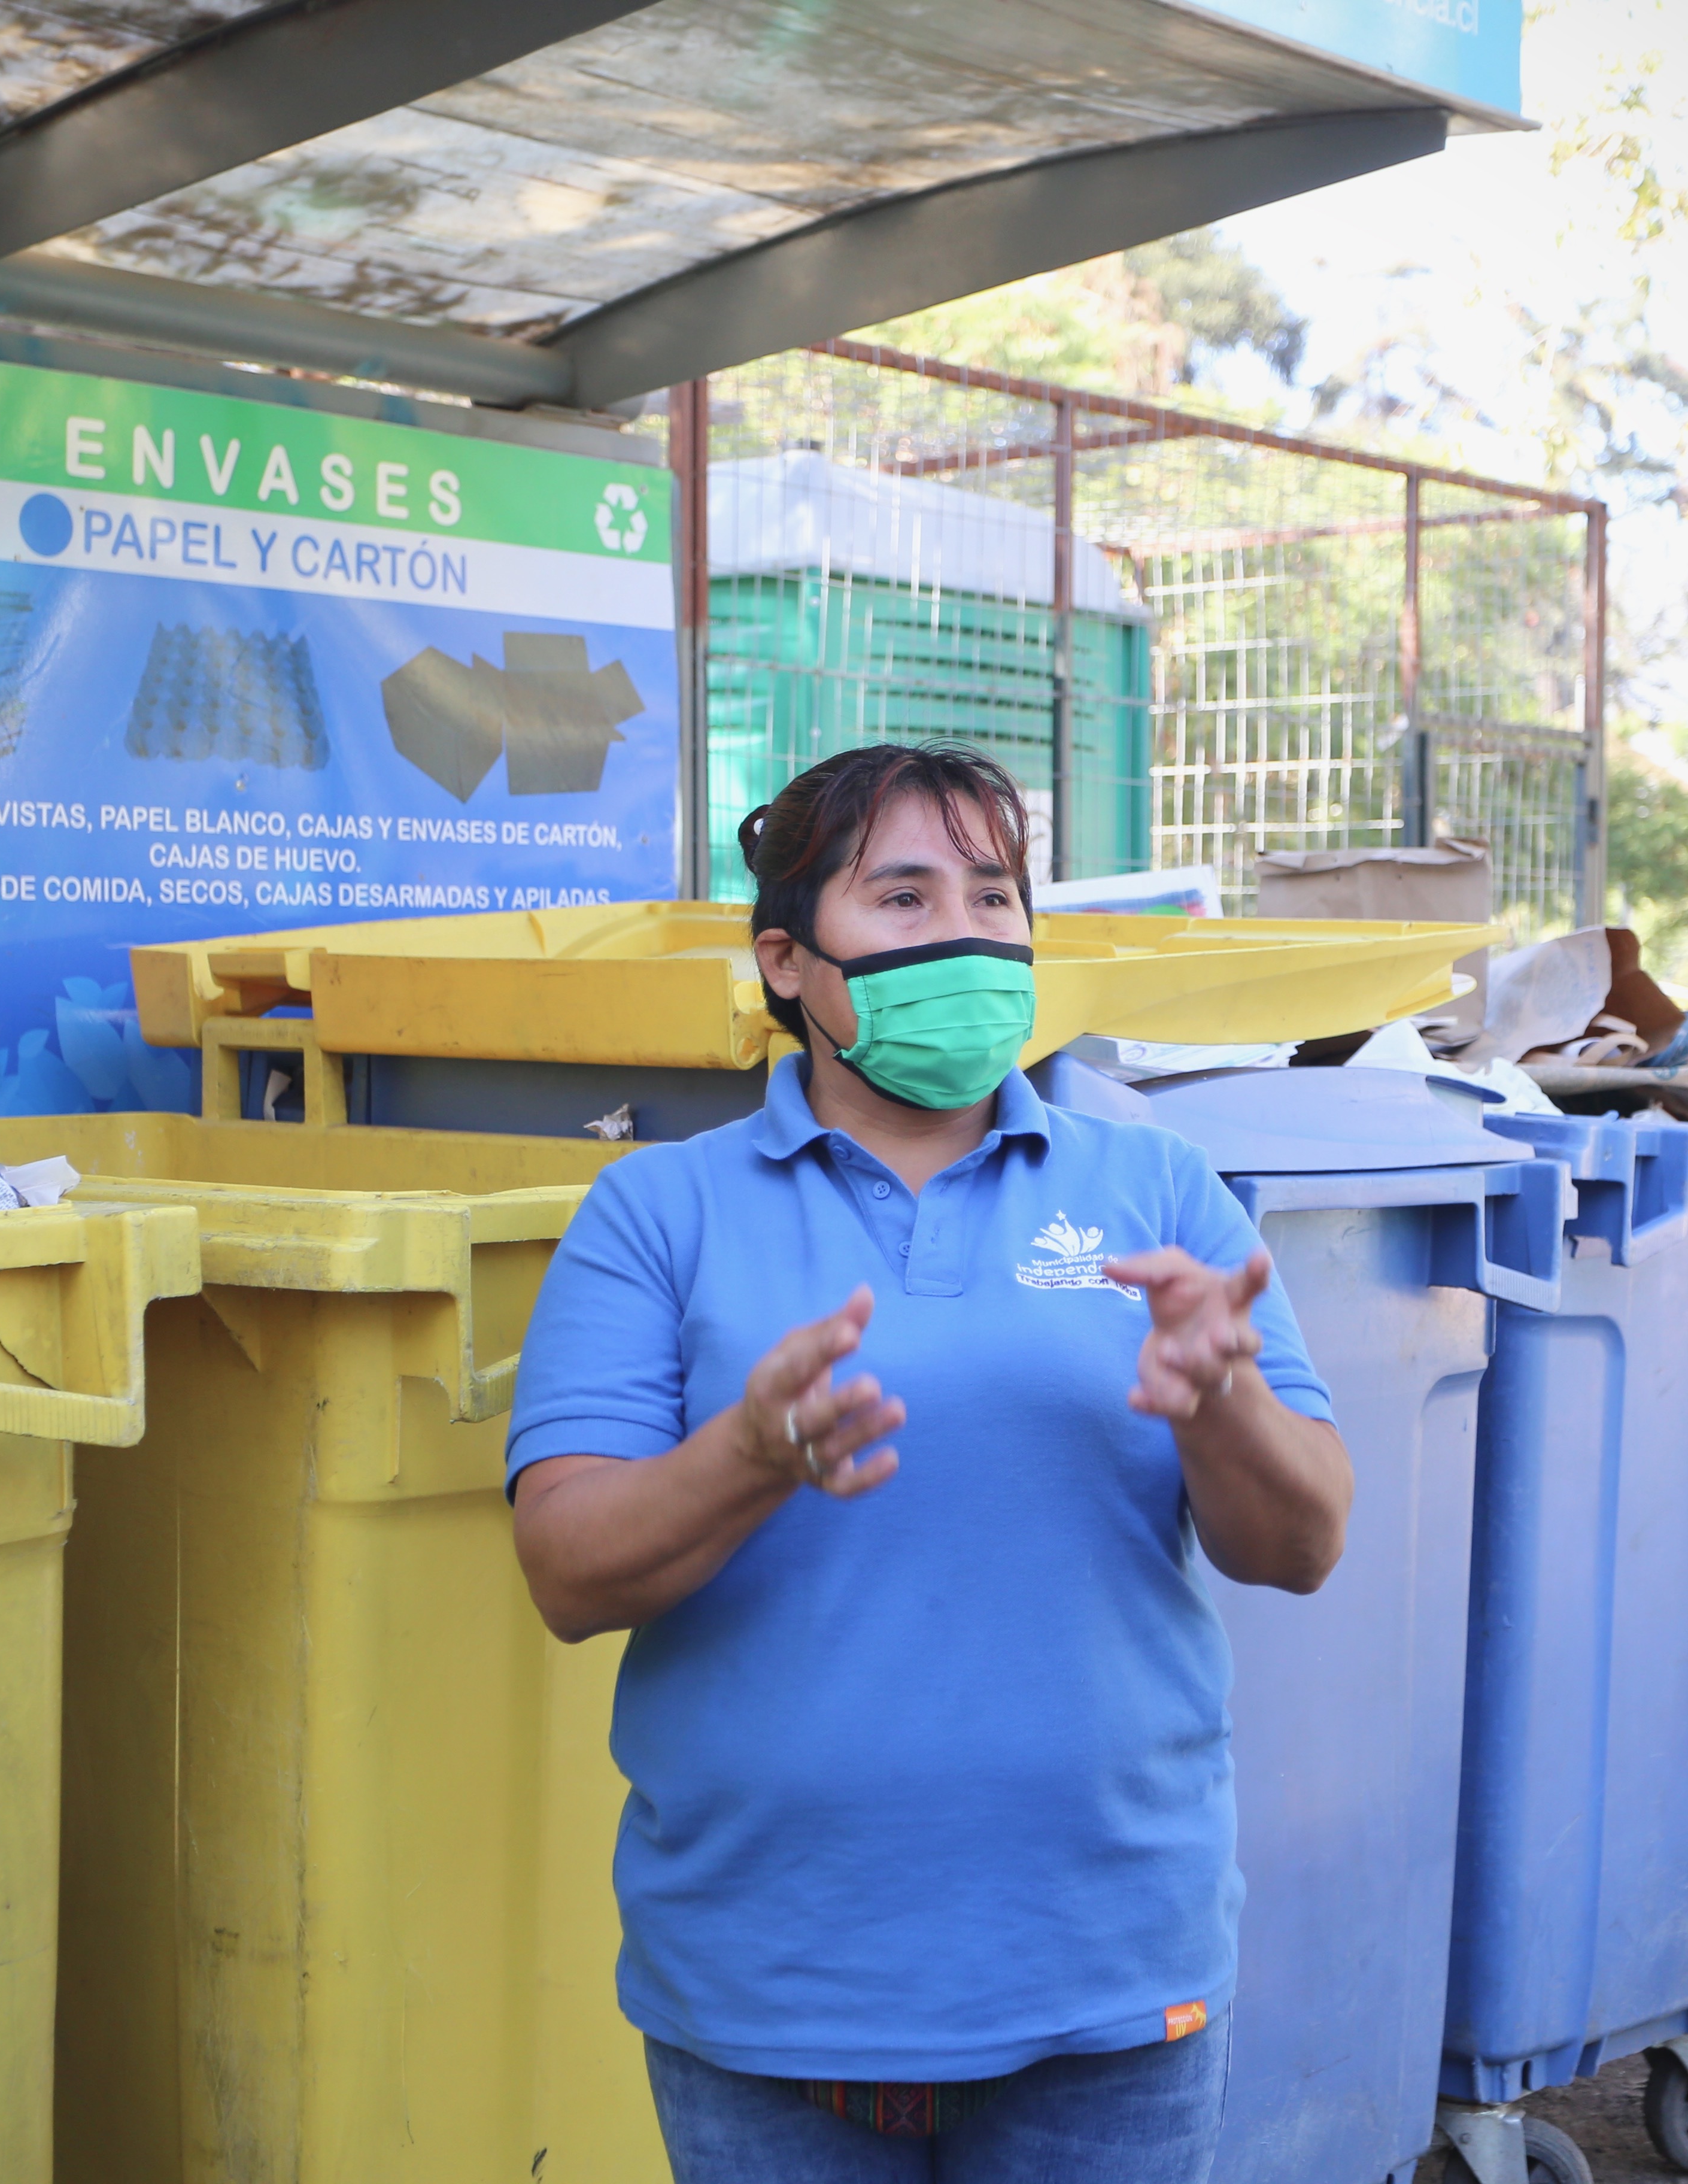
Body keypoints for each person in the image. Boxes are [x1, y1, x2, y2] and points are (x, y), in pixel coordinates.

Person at [504, 740, 1355, 2182]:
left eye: (994, 893)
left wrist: (1221, 1404)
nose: (962, 933)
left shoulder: (1155, 1187)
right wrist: (752, 1455)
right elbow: (568, 1574)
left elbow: (1305, 1544)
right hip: (768, 1993)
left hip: (1104, 1986)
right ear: (788, 961)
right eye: (901, 898)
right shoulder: (655, 1213)